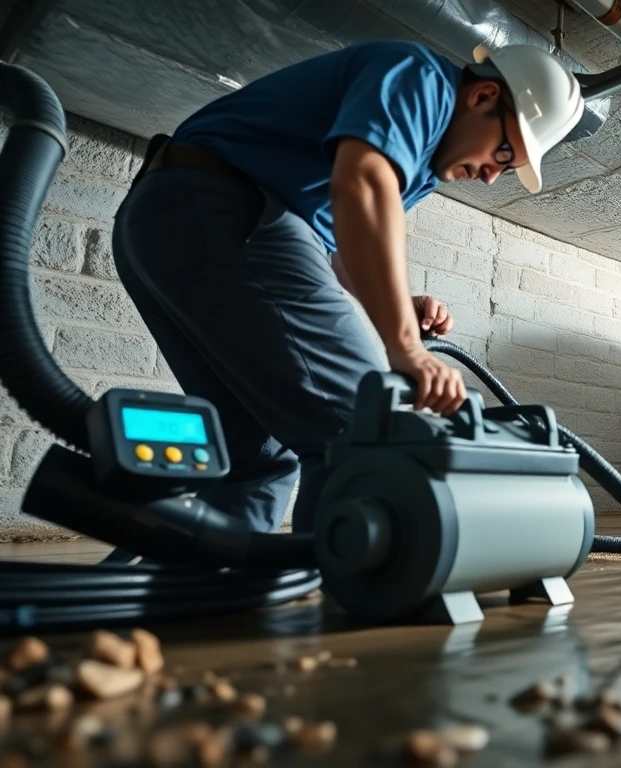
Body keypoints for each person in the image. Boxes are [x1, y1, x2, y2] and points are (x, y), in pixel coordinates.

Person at [110, 40, 583, 534]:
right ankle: (359, 589)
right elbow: (360, 184)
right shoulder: (420, 78)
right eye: (503, 152)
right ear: (483, 96)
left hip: (161, 224)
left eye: (506, 171)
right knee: (365, 430)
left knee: (256, 459)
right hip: (224, 211)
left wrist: (401, 301)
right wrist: (404, 346)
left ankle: (206, 593)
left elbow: (336, 246)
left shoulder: (421, 162)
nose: (491, 177)